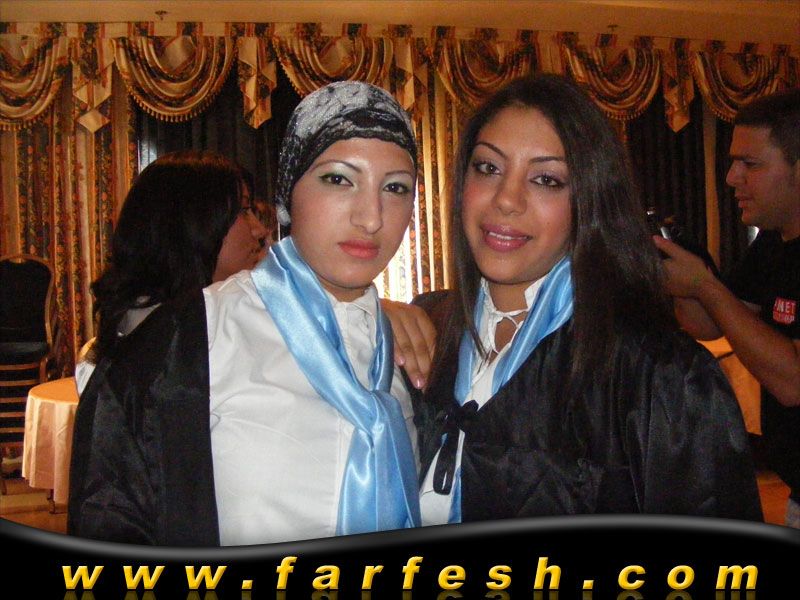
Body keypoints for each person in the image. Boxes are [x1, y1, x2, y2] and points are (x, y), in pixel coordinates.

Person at [69, 81, 423, 546]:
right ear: (288, 193)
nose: (371, 217)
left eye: (395, 187)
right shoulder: (186, 344)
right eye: (339, 179)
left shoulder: (412, 353)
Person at [412, 74, 763, 525]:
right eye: (488, 168)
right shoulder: (426, 332)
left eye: (546, 179)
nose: (507, 200)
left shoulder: (657, 377)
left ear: (589, 200)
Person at [655, 87, 800, 527]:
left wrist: (705, 286)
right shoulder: (773, 244)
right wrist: (677, 275)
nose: (732, 177)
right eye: (734, 162)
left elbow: (792, 381)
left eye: (750, 164)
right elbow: (711, 324)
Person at [74, 149, 268, 392]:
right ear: (195, 222)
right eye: (244, 211)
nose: (259, 230)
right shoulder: (166, 347)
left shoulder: (211, 318)